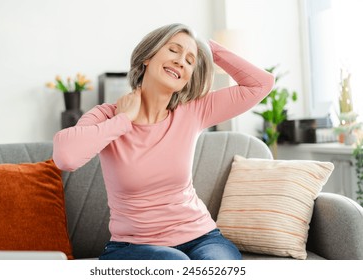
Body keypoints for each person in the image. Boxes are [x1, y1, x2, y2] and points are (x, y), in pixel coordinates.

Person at [53, 23, 274, 260]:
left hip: (202, 238)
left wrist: (208, 49)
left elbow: (261, 84)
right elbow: (66, 157)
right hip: (132, 247)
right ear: (148, 56)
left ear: (188, 78)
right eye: (174, 50)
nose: (181, 61)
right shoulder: (107, 116)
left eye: (190, 60)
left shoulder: (193, 111)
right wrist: (124, 119)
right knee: (174, 263)